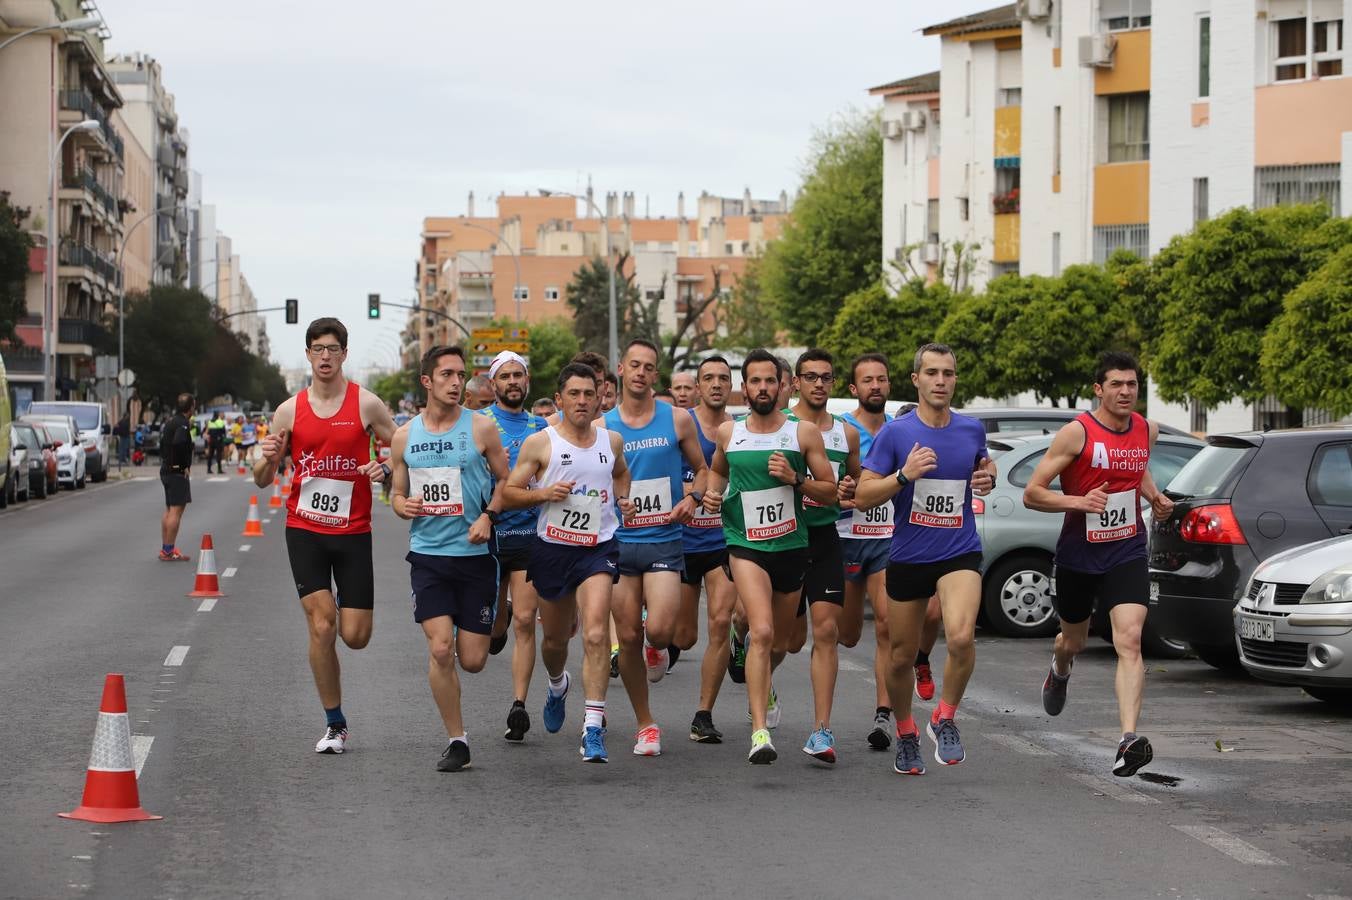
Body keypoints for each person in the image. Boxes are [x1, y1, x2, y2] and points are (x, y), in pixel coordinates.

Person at [1023, 351, 1173, 778]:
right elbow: (1033, 493)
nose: (1125, 392)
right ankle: (1060, 667)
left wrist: (1154, 497)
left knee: (1130, 640)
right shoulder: (1077, 434)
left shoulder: (1147, 429)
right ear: (1098, 389)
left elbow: (1136, 469)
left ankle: (1128, 740)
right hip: (1078, 555)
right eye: (1116, 385)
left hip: (1126, 550)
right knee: (1073, 641)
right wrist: (1078, 501)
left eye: (1132, 385)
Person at [254, 318, 397, 755]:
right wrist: (265, 459)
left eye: (332, 349)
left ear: (344, 354)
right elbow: (263, 479)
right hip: (305, 529)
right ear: (308, 354)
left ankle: (337, 610)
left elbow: (404, 448)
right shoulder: (288, 411)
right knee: (321, 626)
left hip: (353, 532)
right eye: (317, 349)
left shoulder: (367, 405)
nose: (325, 356)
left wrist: (387, 470)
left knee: (355, 636)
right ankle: (335, 723)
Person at [853, 343, 995, 776]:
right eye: (931, 373)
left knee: (961, 638)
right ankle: (907, 731)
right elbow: (861, 496)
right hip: (910, 555)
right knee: (899, 657)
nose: (940, 381)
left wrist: (987, 477)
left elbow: (983, 469)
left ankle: (944, 718)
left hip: (959, 550)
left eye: (947, 373)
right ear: (916, 380)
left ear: (955, 379)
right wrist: (903, 475)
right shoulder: (895, 435)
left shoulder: (971, 430)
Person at [705, 349, 840, 765]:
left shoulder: (802, 435)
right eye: (755, 381)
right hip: (745, 544)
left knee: (785, 640)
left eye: (770, 381)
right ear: (744, 388)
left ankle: (745, 653)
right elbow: (717, 472)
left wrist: (796, 478)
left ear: (782, 386)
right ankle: (759, 731)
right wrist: (712, 495)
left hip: (791, 546)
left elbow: (829, 489)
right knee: (762, 632)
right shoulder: (729, 433)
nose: (762, 388)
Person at [502, 363, 635, 763]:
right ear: (559, 400)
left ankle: (592, 728)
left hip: (598, 546)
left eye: (589, 394)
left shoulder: (611, 441)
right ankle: (558, 684)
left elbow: (622, 474)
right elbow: (509, 492)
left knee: (595, 634)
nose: (582, 401)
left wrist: (623, 499)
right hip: (553, 548)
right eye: (573, 394)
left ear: (600, 399)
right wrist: (543, 495)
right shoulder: (541, 444)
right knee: (555, 641)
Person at [389, 345, 510, 772]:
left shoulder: (481, 429)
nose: (457, 382)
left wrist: (490, 517)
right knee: (442, 650)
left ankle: (501, 612)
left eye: (460, 375)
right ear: (427, 381)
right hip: (428, 557)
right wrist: (401, 505)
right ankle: (457, 739)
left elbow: (505, 481)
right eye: (447, 375)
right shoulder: (404, 436)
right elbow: (396, 493)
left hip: (475, 555)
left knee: (473, 660)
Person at [602, 339, 709, 756]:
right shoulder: (603, 427)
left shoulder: (678, 419)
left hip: (664, 540)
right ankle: (646, 724)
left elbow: (702, 471)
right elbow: (594, 481)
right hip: (619, 543)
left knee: (661, 630)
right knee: (626, 636)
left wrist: (693, 500)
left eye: (649, 367)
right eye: (635, 365)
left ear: (655, 374)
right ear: (621, 369)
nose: (642, 373)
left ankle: (655, 647)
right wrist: (614, 499)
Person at [787, 349, 860, 765]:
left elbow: (855, 476)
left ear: (833, 383)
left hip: (826, 538)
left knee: (827, 631)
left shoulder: (846, 433)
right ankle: (761, 673)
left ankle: (821, 730)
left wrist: (852, 488)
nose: (818, 383)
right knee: (787, 640)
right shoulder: (779, 426)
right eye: (810, 376)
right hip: (783, 542)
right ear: (796, 382)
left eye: (826, 377)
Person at [480, 350, 550, 742]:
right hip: (489, 534)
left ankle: (518, 706)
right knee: (493, 627)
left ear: (527, 381)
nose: (512, 382)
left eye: (517, 375)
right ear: (493, 385)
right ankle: (497, 617)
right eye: (504, 376)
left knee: (526, 622)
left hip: (528, 534)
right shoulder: (480, 424)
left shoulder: (541, 428)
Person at [836, 353, 901, 749]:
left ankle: (883, 715)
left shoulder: (900, 431)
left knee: (886, 623)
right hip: (844, 537)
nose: (875, 386)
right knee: (845, 635)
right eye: (867, 380)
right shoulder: (841, 433)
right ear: (854, 389)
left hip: (887, 537)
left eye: (882, 379)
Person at [674, 355, 738, 743]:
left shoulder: (740, 430)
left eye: (723, 378)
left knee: (719, 622)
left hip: (724, 542)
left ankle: (703, 715)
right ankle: (660, 644)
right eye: (709, 378)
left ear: (731, 386)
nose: (716, 384)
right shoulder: (682, 425)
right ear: (697, 386)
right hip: (681, 542)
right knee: (683, 637)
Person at [158, 392, 196, 561]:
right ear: (191, 407)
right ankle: (168, 550)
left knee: (169, 509)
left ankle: (167, 548)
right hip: (176, 472)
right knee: (176, 511)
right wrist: (183, 466)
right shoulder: (183, 425)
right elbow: (179, 444)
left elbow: (163, 445)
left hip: (166, 469)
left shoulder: (171, 422)